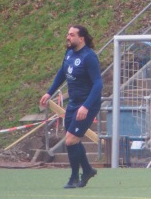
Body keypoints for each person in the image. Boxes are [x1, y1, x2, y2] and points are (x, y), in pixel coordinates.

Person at [39, 26, 102, 189]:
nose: (68, 37)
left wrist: (86, 107)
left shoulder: (89, 57)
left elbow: (98, 84)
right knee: (73, 140)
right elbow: (62, 73)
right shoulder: (69, 53)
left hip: (87, 104)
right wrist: (49, 93)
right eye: (68, 34)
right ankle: (87, 170)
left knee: (70, 140)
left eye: (72, 35)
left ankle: (74, 177)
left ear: (81, 38)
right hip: (73, 103)